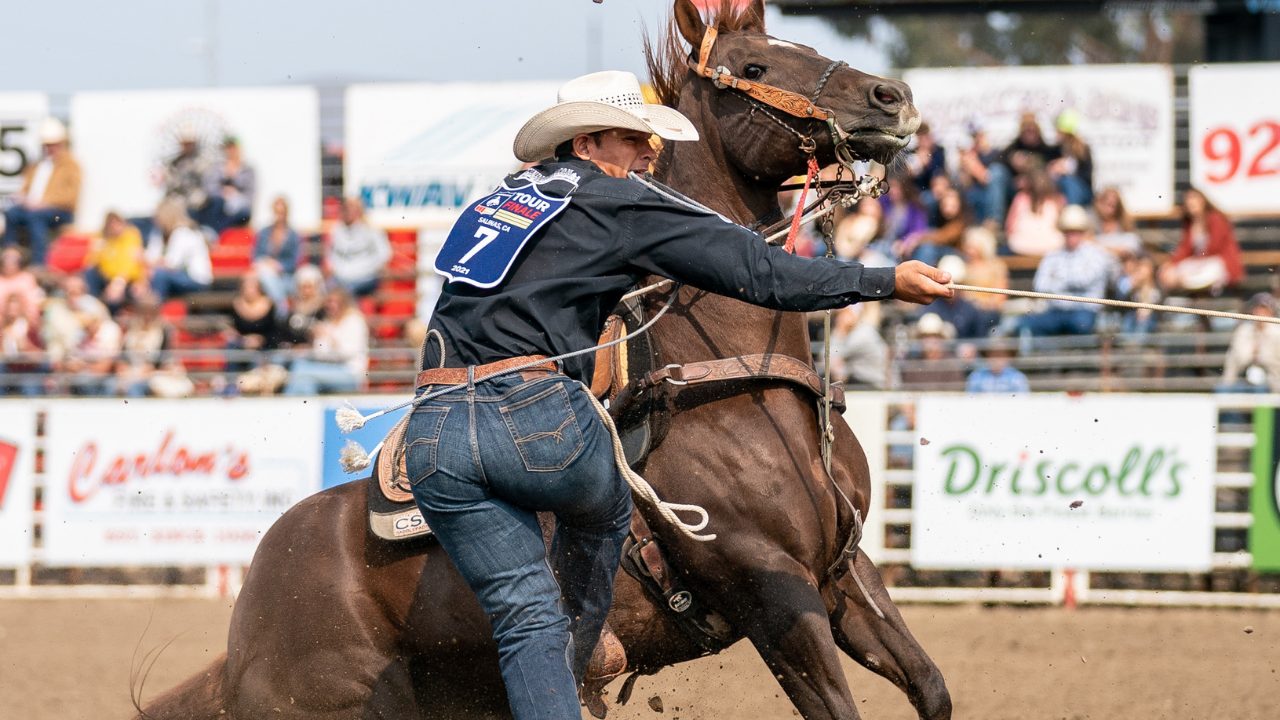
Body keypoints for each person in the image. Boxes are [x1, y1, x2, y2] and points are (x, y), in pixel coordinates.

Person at [404, 70, 953, 720]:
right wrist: (882, 280)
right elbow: (758, 270)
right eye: (635, 141)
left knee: (527, 617)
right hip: (530, 415)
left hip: (433, 432)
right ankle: (589, 641)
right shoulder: (616, 200)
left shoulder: (501, 200)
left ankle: (569, 669)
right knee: (605, 509)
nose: (648, 155)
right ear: (588, 142)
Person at [1017, 205, 1117, 336]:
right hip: (1056, 310)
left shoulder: (1096, 254)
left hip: (1085, 310)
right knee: (1026, 323)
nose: (1071, 236)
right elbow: (1040, 285)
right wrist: (1070, 281)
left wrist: (1057, 279)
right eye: (1067, 231)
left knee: (1081, 325)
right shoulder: (1052, 255)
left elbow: (1085, 280)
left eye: (1076, 231)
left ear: (1083, 232)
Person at [2, 118, 81, 265]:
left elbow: (71, 197)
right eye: (46, 145)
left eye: (52, 145)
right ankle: (10, 254)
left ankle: (39, 262)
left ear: (61, 144)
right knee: (11, 213)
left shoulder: (71, 166)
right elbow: (25, 188)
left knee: (36, 217)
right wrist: (22, 197)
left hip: (60, 212)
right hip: (33, 208)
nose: (49, 149)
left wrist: (43, 203)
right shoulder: (38, 165)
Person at [1158, 187, 1243, 295]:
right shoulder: (1191, 224)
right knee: (1171, 271)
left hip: (1218, 263)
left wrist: (1195, 262)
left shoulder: (1215, 218)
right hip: (1201, 263)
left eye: (1194, 199)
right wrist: (1171, 264)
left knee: (1208, 270)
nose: (1191, 203)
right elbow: (1185, 249)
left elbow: (1215, 246)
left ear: (1202, 201)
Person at [283, 288, 368, 395]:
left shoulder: (354, 321)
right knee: (305, 383)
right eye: (328, 302)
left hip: (350, 373)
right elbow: (320, 354)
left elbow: (348, 353)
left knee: (300, 369)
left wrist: (329, 337)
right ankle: (301, 408)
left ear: (343, 303)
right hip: (330, 369)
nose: (331, 305)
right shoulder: (327, 322)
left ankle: (288, 405)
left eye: (335, 302)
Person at [142, 198, 212, 301]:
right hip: (177, 278)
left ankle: (154, 309)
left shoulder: (184, 233)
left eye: (157, 216)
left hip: (196, 280)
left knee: (160, 275)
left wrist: (149, 263)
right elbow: (151, 256)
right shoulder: (158, 233)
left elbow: (171, 264)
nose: (154, 220)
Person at [326, 196, 391, 297]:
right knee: (326, 287)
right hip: (341, 276)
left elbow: (384, 253)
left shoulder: (371, 228)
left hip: (366, 277)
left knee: (346, 291)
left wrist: (374, 268)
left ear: (360, 209)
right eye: (346, 207)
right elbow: (331, 255)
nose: (349, 211)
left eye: (352, 207)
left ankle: (350, 311)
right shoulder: (336, 229)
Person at [83, 211, 146, 310]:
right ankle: (93, 304)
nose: (114, 227)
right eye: (111, 224)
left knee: (118, 295)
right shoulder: (103, 238)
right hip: (106, 278)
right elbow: (90, 263)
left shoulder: (131, 235)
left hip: (127, 279)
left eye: (117, 223)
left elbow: (132, 261)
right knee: (90, 273)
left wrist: (120, 280)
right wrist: (96, 250)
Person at [1220, 293, 1280, 392]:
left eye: (1264, 309)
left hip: (1271, 381)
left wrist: (1258, 355)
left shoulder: (1277, 333)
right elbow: (1241, 358)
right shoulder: (1243, 330)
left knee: (1260, 390)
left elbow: (1271, 361)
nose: (1260, 312)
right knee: (1223, 390)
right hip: (1240, 379)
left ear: (1271, 312)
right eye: (1258, 308)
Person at [196, 136, 256, 233]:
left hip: (238, 209)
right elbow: (208, 188)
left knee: (243, 213)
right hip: (219, 206)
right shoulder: (216, 168)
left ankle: (216, 232)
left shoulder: (248, 170)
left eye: (233, 147)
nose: (231, 151)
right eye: (228, 148)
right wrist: (223, 192)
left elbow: (251, 196)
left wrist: (235, 194)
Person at [957, 120, 1010, 225]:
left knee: (996, 170)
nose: (977, 139)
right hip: (983, 196)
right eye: (974, 136)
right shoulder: (971, 155)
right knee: (972, 194)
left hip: (1004, 192)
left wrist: (974, 166)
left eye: (979, 135)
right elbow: (966, 185)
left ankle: (995, 221)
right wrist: (965, 168)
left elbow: (987, 178)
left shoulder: (997, 153)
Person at [254, 195, 302, 308]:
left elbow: (296, 260)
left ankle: (280, 306)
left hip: (287, 276)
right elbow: (256, 256)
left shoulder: (293, 235)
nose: (279, 216)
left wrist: (280, 266)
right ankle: (282, 306)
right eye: (277, 212)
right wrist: (268, 263)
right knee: (266, 276)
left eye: (282, 212)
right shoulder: (264, 233)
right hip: (267, 274)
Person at [1004, 170, 1064, 257]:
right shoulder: (1057, 200)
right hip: (1052, 245)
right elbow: (1062, 225)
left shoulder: (1020, 198)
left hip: (1021, 246)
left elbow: (1009, 228)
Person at [1049, 109, 1094, 206]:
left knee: (1068, 182)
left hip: (1082, 193)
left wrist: (1067, 170)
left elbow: (1087, 177)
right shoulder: (1055, 150)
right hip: (1061, 191)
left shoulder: (1083, 150)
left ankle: (1071, 212)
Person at [1092, 186, 1142, 258]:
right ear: (1099, 203)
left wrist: (1101, 247)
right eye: (1107, 204)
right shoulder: (1091, 223)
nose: (1109, 209)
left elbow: (1127, 251)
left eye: (1113, 205)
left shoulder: (1125, 225)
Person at [0, 247, 45, 326]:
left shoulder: (27, 279)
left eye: (14, 260)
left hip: (23, 323)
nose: (9, 263)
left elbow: (33, 306)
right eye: (6, 260)